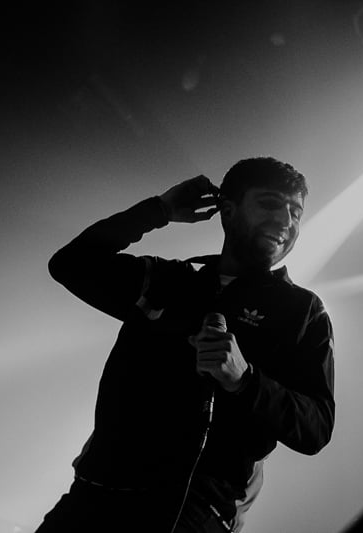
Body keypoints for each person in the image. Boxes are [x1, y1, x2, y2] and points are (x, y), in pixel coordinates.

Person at [37, 157, 335, 532]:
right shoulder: (169, 279)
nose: (285, 221)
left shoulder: (303, 311)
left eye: (296, 212)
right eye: (270, 204)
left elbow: (316, 428)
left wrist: (245, 380)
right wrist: (159, 210)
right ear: (229, 210)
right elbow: (71, 264)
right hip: (93, 498)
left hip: (196, 512)